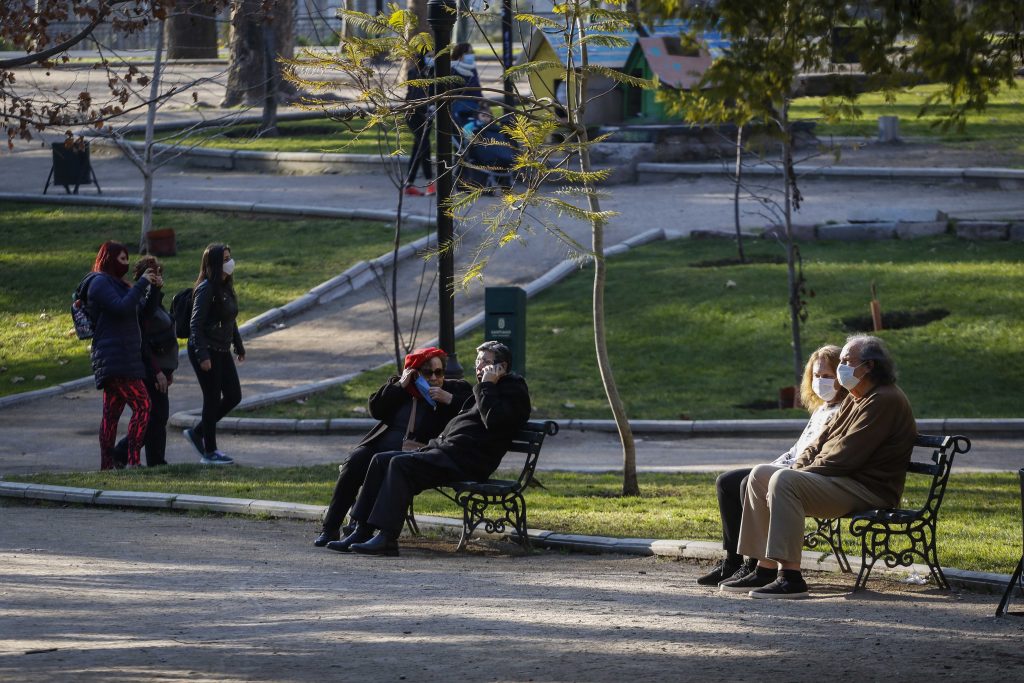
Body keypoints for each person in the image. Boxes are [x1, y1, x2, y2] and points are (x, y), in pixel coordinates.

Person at [721, 335, 917, 599]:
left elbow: (846, 456)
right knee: (760, 475)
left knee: (784, 481)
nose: (841, 368)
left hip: (867, 489)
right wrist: (797, 467)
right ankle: (762, 567)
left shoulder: (884, 400)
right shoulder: (855, 396)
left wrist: (795, 475)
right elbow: (819, 442)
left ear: (869, 366)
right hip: (841, 480)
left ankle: (790, 577)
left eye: (847, 361)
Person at [326, 341, 531, 557]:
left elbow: (495, 421)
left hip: (466, 462)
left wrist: (487, 385)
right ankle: (362, 530)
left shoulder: (512, 389)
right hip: (446, 454)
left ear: (503, 367)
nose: (479, 368)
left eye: (486, 362)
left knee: (399, 464)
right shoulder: (484, 389)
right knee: (380, 459)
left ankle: (387, 537)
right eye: (478, 362)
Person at [697, 344, 847, 586]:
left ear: (840, 377)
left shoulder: (843, 410)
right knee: (726, 482)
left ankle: (754, 563)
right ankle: (732, 561)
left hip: (804, 475)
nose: (821, 381)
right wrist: (771, 465)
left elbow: (816, 455)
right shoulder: (821, 409)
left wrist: (776, 470)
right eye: (817, 376)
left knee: (747, 482)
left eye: (827, 376)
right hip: (789, 467)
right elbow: (797, 449)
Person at [313, 347, 473, 547]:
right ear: (414, 373)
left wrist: (448, 399)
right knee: (355, 460)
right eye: (427, 373)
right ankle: (330, 529)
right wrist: (400, 385)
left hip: (417, 452)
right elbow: (376, 409)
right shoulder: (401, 388)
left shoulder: (454, 389)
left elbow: (473, 408)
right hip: (380, 445)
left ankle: (362, 530)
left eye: (438, 372)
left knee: (383, 463)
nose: (434, 378)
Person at [86, 240, 160, 470]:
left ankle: (107, 466)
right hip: (114, 357)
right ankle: (133, 461)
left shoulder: (121, 284)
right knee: (143, 405)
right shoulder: (99, 282)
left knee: (112, 413)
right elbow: (121, 308)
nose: (126, 263)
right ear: (108, 258)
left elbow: (141, 313)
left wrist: (155, 288)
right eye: (121, 259)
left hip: (125, 357)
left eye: (128, 259)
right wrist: (139, 285)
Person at [111, 256, 179, 468]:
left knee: (158, 418)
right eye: (151, 274)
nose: (156, 277)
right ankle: (123, 453)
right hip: (149, 370)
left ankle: (155, 461)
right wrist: (157, 371)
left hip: (162, 370)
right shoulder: (139, 303)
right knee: (152, 417)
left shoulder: (155, 301)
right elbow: (144, 342)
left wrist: (168, 371)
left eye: (158, 273)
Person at [183, 243, 245, 465]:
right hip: (206, 350)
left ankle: (198, 431)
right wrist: (202, 356)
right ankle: (210, 452)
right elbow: (195, 325)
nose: (230, 263)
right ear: (215, 264)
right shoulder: (206, 288)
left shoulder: (226, 285)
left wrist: (238, 346)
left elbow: (230, 318)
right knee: (211, 398)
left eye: (230, 257)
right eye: (225, 259)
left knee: (233, 395)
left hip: (222, 348)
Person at [403, 54, 436, 197]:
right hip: (415, 114)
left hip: (427, 114)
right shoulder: (416, 73)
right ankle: (430, 183)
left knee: (418, 148)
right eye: (429, 55)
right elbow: (413, 94)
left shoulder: (434, 71)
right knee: (424, 146)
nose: (432, 57)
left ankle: (409, 183)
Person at [450, 42, 483, 128]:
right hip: (461, 106)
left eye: (472, 53)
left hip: (475, 104)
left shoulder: (472, 68)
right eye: (468, 53)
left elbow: (477, 87)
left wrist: (482, 102)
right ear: (460, 55)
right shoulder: (453, 69)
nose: (471, 55)